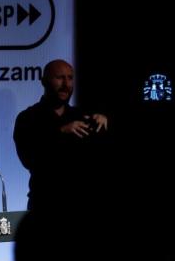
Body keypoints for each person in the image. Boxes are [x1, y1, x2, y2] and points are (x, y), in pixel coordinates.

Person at [13, 59, 108, 211]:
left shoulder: (82, 116)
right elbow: (29, 159)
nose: (66, 84)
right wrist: (60, 132)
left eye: (70, 78)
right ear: (44, 81)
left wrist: (105, 122)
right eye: (60, 78)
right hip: (45, 204)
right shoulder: (28, 118)